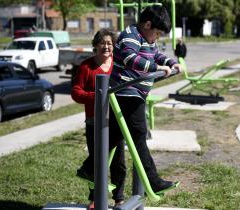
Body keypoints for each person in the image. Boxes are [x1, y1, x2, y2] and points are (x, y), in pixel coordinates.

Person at [109, 5, 182, 202]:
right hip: (126, 92)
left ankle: (90, 169)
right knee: (139, 136)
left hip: (134, 93)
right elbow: (130, 58)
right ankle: (153, 182)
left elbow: (156, 55)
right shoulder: (130, 36)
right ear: (147, 24)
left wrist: (170, 63)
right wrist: (156, 67)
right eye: (156, 33)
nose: (156, 38)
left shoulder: (147, 40)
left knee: (113, 139)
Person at [71, 29, 121, 209]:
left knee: (118, 163)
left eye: (109, 43)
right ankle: (94, 199)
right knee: (96, 162)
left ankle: (119, 199)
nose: (106, 46)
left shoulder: (119, 65)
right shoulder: (86, 67)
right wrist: (97, 96)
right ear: (95, 45)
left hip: (116, 122)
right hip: (94, 121)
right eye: (102, 43)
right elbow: (76, 93)